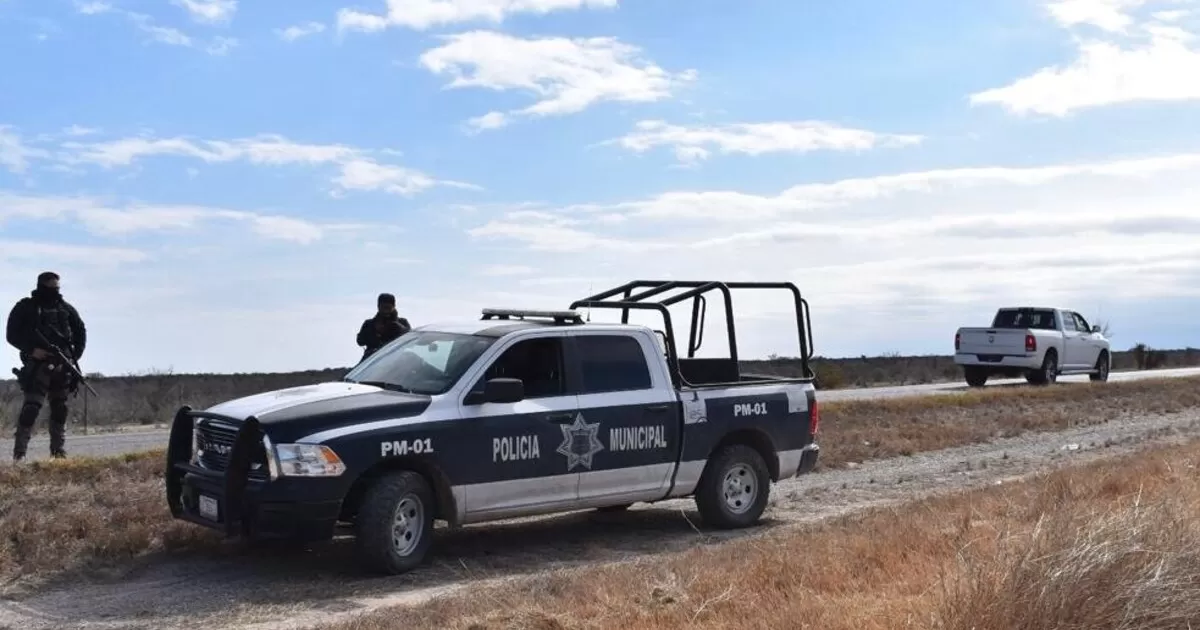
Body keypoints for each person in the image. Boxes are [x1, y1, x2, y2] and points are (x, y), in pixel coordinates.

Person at [5, 271, 87, 461]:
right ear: (41, 286)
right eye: (50, 288)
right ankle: (20, 453)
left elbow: (80, 331)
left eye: (56, 288)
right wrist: (32, 350)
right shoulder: (26, 307)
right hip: (37, 366)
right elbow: (11, 334)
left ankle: (58, 452)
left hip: (62, 366)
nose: (54, 292)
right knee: (31, 408)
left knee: (60, 408)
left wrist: (74, 356)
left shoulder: (66, 309)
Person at [356, 292, 411, 362]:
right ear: (378, 307)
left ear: (393, 307)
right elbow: (360, 341)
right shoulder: (369, 324)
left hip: (396, 360)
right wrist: (374, 332)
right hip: (373, 359)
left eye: (388, 308)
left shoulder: (402, 322)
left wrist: (397, 326)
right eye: (383, 307)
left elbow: (409, 339)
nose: (385, 311)